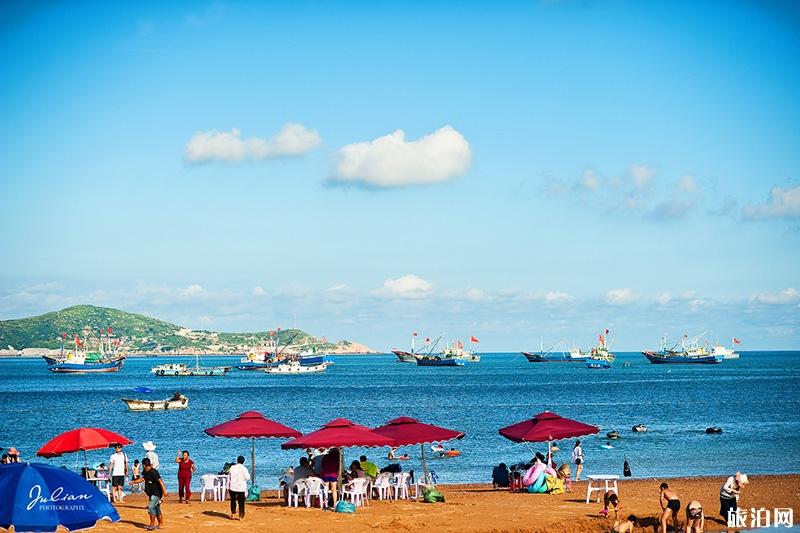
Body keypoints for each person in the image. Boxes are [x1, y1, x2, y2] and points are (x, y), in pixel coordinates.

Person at [131, 457, 167, 531]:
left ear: (144, 465)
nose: (145, 467)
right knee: (157, 508)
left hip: (156, 493)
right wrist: (134, 482)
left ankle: (152, 525)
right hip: (151, 493)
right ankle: (161, 524)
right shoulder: (145, 471)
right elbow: (143, 478)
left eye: (145, 466)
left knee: (150, 507)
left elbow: (160, 481)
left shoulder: (154, 472)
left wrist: (164, 491)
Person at [228, 455, 250, 521]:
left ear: (237, 461)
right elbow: (247, 478)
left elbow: (229, 476)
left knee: (233, 500)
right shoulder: (244, 468)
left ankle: (233, 513)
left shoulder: (232, 467)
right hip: (241, 487)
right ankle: (241, 516)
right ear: (243, 462)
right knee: (241, 502)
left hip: (233, 486)